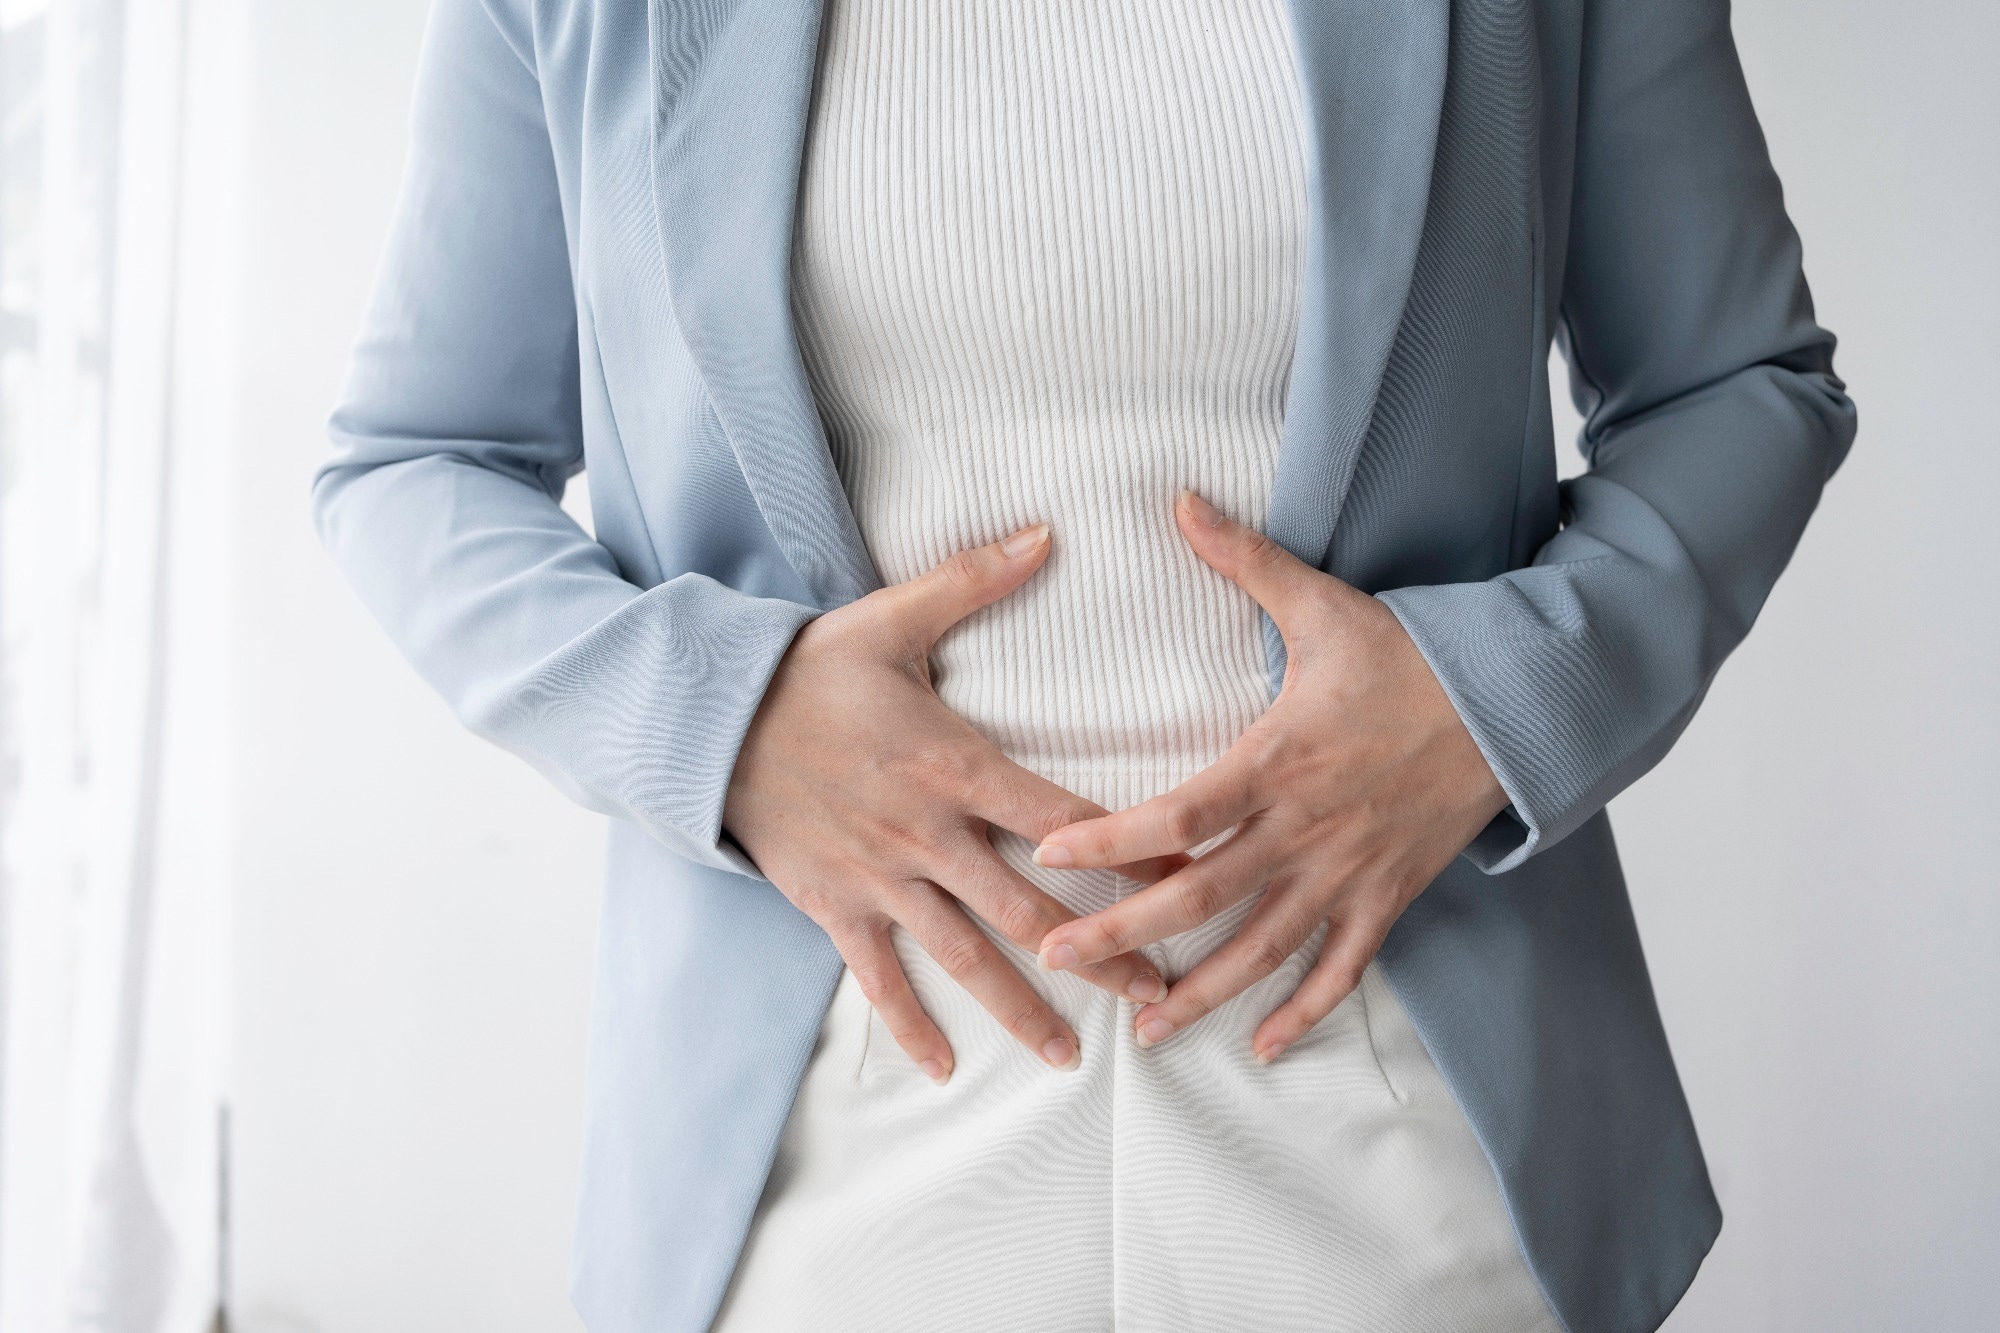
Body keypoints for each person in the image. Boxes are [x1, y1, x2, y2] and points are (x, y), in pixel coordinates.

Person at [313, 0, 1855, 1329]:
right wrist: (729, 723)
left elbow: (1738, 382)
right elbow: (415, 458)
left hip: (1405, 1117)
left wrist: (1484, 700)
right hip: (822, 1135)